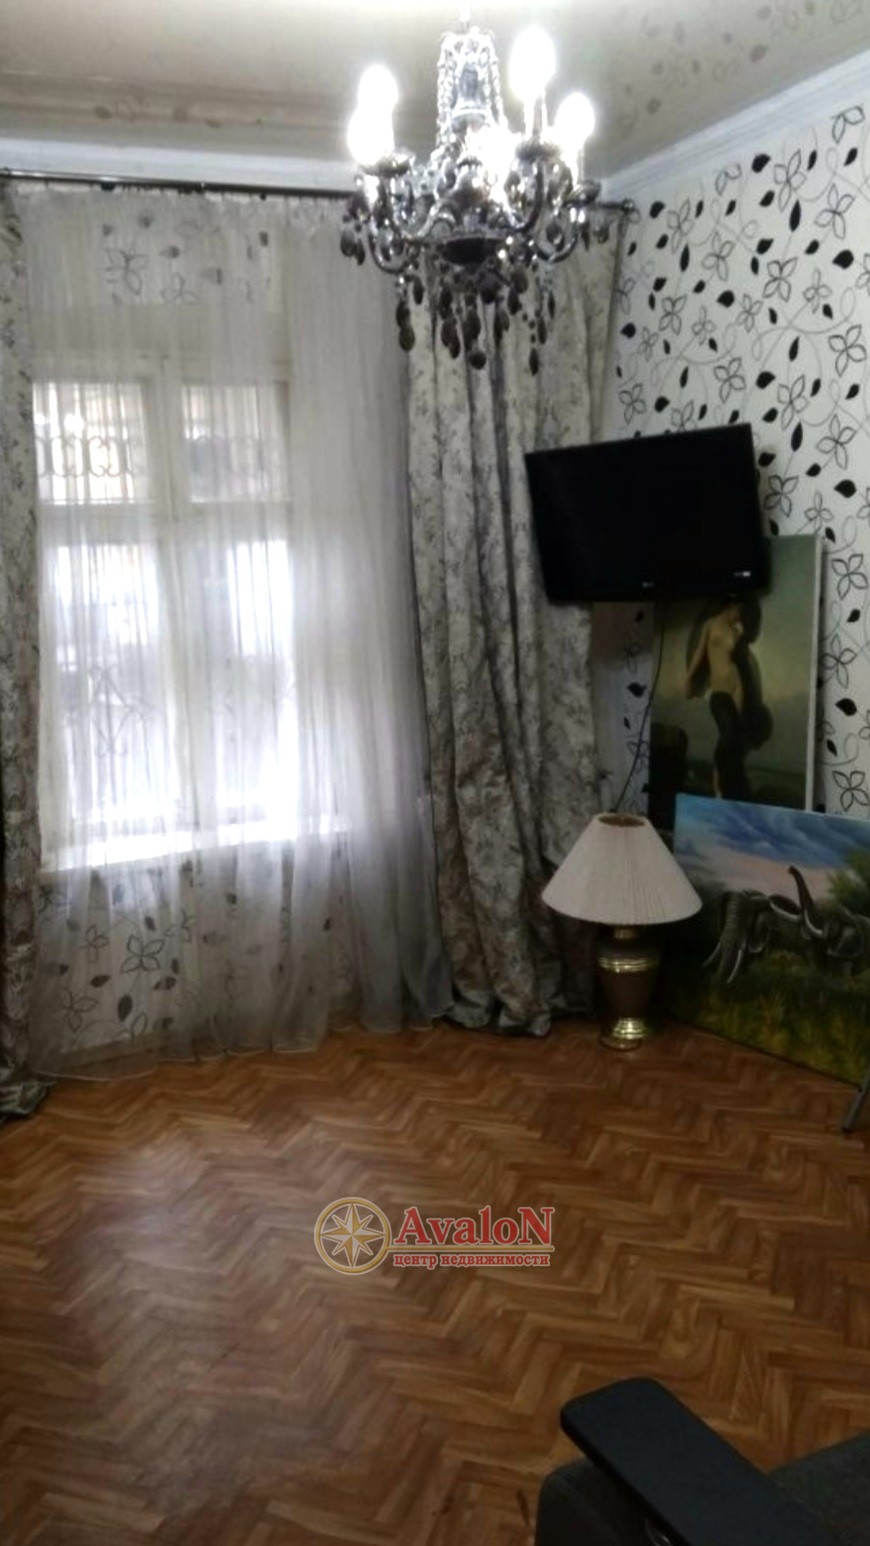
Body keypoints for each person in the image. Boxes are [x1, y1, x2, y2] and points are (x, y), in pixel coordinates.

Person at [684, 597, 772, 800]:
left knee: (732, 738)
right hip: (719, 689)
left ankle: (725, 788)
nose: (739, 618)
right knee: (727, 736)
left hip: (736, 688)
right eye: (739, 613)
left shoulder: (735, 631)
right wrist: (689, 678)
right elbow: (699, 651)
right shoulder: (710, 624)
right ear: (733, 605)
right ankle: (719, 785)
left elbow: (741, 660)